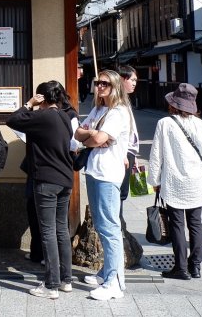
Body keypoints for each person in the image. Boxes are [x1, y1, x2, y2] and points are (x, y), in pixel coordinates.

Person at [6, 80, 75, 299]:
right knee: (61, 230)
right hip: (65, 179)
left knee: (47, 232)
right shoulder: (65, 116)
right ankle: (66, 279)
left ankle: (51, 284)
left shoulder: (42, 116)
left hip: (46, 179)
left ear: (42, 98)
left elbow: (12, 120)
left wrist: (29, 103)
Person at [147, 83, 202, 280]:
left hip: (174, 181)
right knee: (196, 223)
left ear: (174, 104)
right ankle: (195, 266)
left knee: (177, 224)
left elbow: (156, 155)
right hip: (197, 181)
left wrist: (154, 180)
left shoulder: (165, 123)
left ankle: (181, 267)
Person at [74, 69, 131, 301]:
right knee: (100, 224)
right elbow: (78, 133)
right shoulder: (98, 109)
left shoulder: (118, 112)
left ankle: (114, 282)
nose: (99, 87)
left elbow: (96, 139)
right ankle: (108, 271)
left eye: (105, 84)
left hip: (109, 173)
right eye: (98, 83)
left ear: (115, 86)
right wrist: (94, 134)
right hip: (94, 171)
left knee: (109, 227)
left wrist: (93, 137)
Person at [118, 66, 140, 218]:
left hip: (129, 151)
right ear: (122, 79)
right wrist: (124, 153)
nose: (134, 83)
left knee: (123, 191)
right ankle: (118, 224)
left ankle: (120, 222)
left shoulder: (125, 100)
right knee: (120, 191)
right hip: (123, 152)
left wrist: (133, 153)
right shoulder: (117, 101)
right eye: (132, 80)